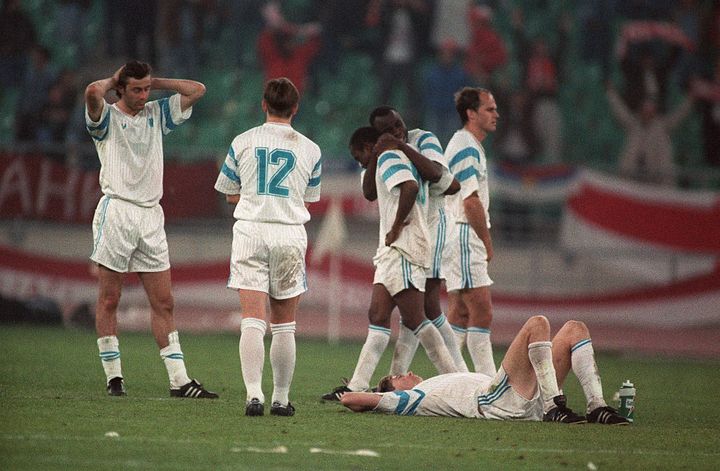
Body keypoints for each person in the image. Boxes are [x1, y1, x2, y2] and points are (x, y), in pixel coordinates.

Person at [85, 61, 217, 399]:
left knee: (164, 301)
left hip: (151, 215)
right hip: (117, 211)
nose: (143, 95)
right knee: (110, 298)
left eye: (146, 89)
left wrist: (155, 82)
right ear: (121, 88)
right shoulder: (106, 118)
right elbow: (92, 91)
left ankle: (179, 381)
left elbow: (198, 89)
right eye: (137, 89)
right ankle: (114, 377)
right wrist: (113, 79)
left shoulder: (157, 112)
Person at [321, 125, 458, 401]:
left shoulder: (389, 158)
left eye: (358, 153)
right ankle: (357, 386)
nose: (358, 160)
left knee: (418, 319)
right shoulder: (393, 158)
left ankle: (456, 380)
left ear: (368, 146)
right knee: (378, 316)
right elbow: (370, 191)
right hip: (394, 251)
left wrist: (396, 227)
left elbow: (408, 187)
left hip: (403, 248)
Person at [214, 77, 322, 417]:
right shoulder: (311, 149)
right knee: (285, 324)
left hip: (251, 231)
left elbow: (230, 192)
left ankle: (253, 396)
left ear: (263, 105)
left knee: (252, 320)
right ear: (295, 108)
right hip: (289, 233)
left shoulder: (243, 141)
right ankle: (280, 398)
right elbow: (308, 197)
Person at [340, 315, 631, 425]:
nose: (405, 372)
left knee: (574, 329)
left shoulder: (434, 384)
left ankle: (597, 406)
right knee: (536, 324)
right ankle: (553, 405)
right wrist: (370, 394)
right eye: (397, 377)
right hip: (496, 400)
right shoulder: (410, 398)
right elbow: (349, 400)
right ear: (396, 390)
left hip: (511, 395)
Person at [367, 106, 465, 376]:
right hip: (411, 230)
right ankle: (394, 375)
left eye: (400, 123)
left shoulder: (423, 139)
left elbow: (438, 175)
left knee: (427, 308)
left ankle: (460, 374)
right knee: (411, 310)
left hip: (433, 226)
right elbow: (370, 191)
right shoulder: (387, 153)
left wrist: (400, 145)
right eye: (390, 129)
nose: (399, 130)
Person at [443, 87, 499, 377]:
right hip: (465, 234)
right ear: (471, 113)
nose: (496, 114)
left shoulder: (467, 144)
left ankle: (452, 377)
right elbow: (470, 199)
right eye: (489, 109)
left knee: (460, 313)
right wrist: (486, 241)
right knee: (481, 311)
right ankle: (488, 384)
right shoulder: (465, 145)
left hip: (457, 233)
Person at [606, 80, 694, 185]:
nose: (647, 113)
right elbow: (620, 111)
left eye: (650, 110)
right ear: (641, 110)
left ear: (654, 112)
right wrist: (611, 93)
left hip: (655, 178)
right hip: (632, 175)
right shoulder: (633, 124)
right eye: (645, 110)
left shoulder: (663, 126)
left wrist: (690, 99)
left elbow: (680, 114)